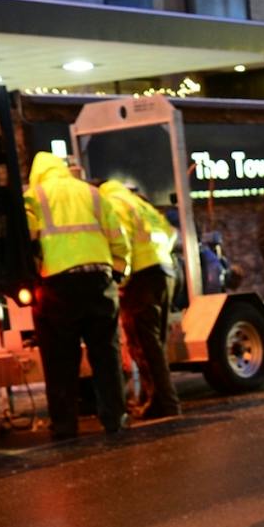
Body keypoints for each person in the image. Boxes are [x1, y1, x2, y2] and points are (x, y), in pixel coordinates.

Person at [23, 152, 129, 438]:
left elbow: (29, 241)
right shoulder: (92, 194)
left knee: (60, 360)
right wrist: (117, 272)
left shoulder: (33, 197)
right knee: (106, 354)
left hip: (58, 283)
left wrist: (33, 275)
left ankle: (66, 426)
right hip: (99, 278)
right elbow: (118, 238)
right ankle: (115, 419)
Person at [100, 176, 180, 420]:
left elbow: (122, 242)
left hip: (142, 278)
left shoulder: (112, 202)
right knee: (155, 345)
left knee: (145, 346)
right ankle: (157, 400)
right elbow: (169, 233)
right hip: (165, 271)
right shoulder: (138, 203)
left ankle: (165, 404)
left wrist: (120, 282)